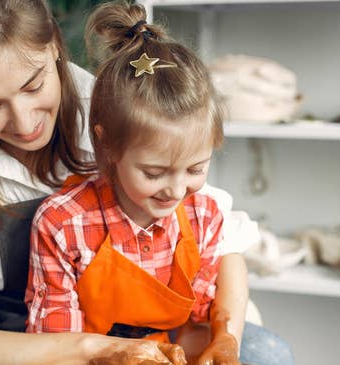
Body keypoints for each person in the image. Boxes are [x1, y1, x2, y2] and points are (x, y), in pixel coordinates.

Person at [0, 0, 293, 364]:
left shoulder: (118, 108)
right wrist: (93, 349)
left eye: (33, 86)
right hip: (15, 341)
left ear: (54, 44)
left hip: (140, 326)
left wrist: (225, 334)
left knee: (266, 354)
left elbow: (213, 229)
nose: (23, 121)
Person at [24, 3, 294, 365]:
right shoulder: (63, 223)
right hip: (92, 356)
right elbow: (58, 343)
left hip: (170, 349)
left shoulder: (202, 215)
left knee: (270, 354)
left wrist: (224, 339)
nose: (177, 190)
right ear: (107, 144)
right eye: (154, 174)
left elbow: (201, 316)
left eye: (196, 169)